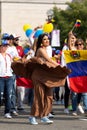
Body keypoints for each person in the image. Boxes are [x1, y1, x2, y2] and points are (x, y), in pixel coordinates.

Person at [11, 33, 70, 125]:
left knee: (49, 97)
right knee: (39, 96)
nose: (47, 41)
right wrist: (61, 67)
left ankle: (44, 116)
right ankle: (32, 116)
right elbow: (50, 60)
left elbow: (50, 61)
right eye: (45, 39)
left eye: (48, 39)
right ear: (41, 42)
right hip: (38, 76)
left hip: (47, 76)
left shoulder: (47, 49)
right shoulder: (40, 50)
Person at [61, 31, 77, 114]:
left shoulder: (76, 48)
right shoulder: (65, 48)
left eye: (74, 38)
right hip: (67, 72)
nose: (72, 40)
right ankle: (66, 106)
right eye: (71, 38)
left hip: (75, 72)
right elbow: (63, 60)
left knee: (75, 90)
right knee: (67, 90)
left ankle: (75, 106)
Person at [0, 39, 13, 118]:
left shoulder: (8, 56)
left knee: (8, 95)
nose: (5, 47)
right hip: (0, 78)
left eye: (6, 46)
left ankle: (7, 112)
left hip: (9, 78)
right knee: (0, 96)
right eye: (4, 46)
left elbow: (12, 66)